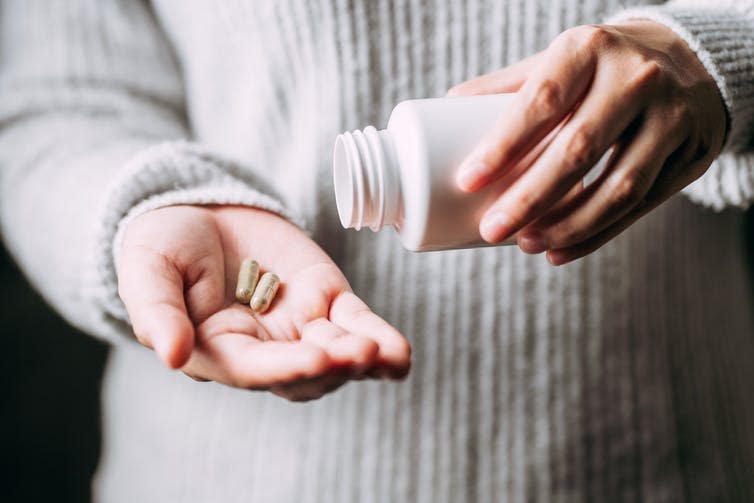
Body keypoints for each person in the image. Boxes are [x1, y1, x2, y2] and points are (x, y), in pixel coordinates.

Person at [1, 0, 753, 500]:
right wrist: (150, 210)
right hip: (229, 475)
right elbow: (54, 105)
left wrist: (720, 60)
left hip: (653, 462)